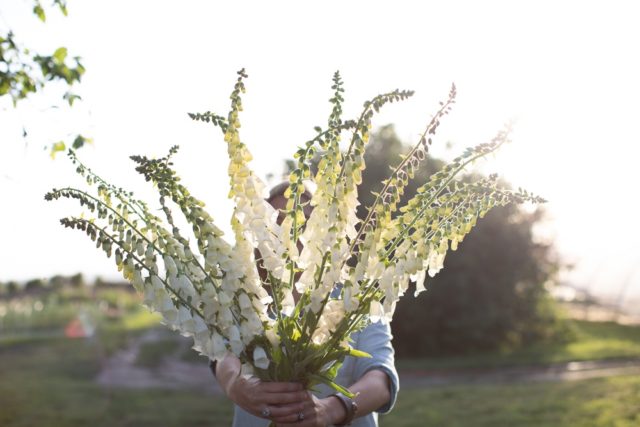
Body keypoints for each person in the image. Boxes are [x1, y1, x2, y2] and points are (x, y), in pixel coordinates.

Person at [210, 183, 399, 426]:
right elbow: (223, 353)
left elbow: (381, 377)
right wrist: (235, 386)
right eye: (277, 221)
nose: (290, 230)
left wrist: (332, 409)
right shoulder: (246, 299)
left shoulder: (355, 300)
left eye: (304, 220)